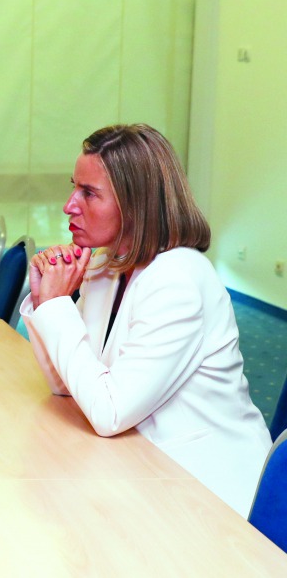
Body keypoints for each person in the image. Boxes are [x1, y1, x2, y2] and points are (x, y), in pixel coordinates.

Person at [20, 124, 270, 515]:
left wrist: (57, 308)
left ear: (135, 204)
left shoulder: (179, 280)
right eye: (74, 187)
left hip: (209, 494)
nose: (70, 205)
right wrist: (46, 301)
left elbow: (108, 412)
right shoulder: (106, 265)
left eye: (89, 193)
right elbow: (67, 387)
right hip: (140, 469)